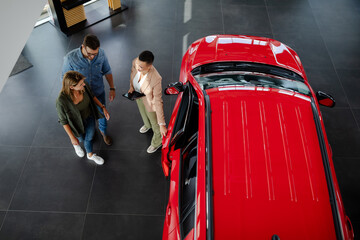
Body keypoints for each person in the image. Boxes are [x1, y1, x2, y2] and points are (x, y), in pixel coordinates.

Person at [62, 34, 114, 146]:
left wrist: (112, 88)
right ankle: (88, 135)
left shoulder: (101, 53)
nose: (92, 57)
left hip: (98, 91)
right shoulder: (70, 58)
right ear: (83, 46)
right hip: (81, 96)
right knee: (85, 119)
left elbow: (107, 70)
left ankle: (103, 133)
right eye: (90, 54)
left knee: (103, 115)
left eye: (95, 54)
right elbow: (64, 79)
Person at [56, 71, 110, 165]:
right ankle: (76, 145)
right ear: (71, 87)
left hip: (88, 117)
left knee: (89, 138)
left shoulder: (84, 87)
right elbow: (64, 121)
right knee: (79, 139)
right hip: (75, 123)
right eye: (81, 84)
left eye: (83, 82)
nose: (84, 84)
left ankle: (90, 155)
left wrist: (103, 107)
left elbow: (92, 96)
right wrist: (72, 138)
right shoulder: (61, 101)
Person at [128, 50, 167, 153]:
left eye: (141, 67)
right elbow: (132, 74)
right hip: (138, 95)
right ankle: (147, 125)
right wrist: (131, 87)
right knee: (143, 112)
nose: (138, 67)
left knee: (155, 123)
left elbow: (158, 101)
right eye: (138, 64)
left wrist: (162, 124)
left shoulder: (156, 78)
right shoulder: (136, 62)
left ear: (149, 67)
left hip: (150, 101)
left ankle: (157, 141)